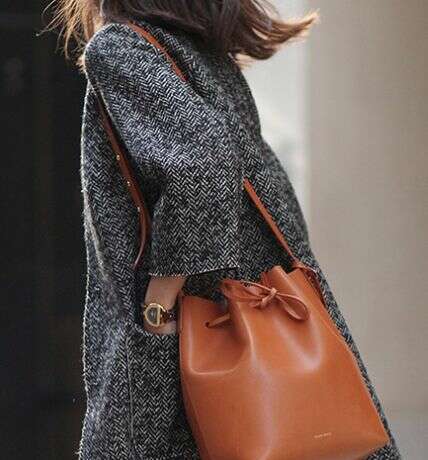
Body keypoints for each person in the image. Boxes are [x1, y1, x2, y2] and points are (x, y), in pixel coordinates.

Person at [51, 1, 401, 458]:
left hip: (195, 349)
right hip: (263, 331)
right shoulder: (204, 54)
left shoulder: (120, 47)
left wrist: (159, 304)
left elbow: (204, 163)